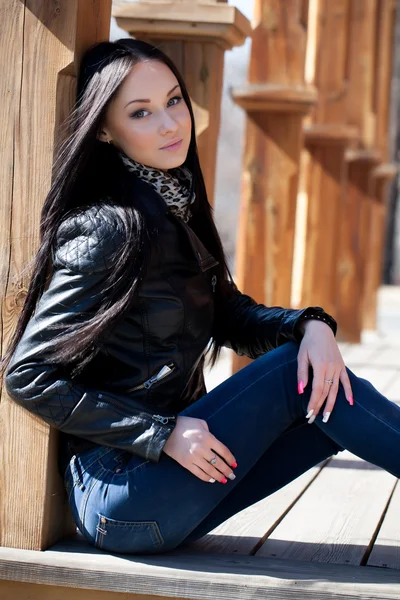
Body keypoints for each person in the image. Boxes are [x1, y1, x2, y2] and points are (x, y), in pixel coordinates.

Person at [2, 39, 400, 556]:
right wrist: (160, 433)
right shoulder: (108, 228)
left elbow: (227, 314)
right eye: (140, 113)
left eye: (174, 101)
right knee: (297, 378)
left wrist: (309, 326)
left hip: (171, 482)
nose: (171, 123)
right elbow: (27, 376)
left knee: (328, 396)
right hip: (122, 493)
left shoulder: (175, 201)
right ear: (104, 129)